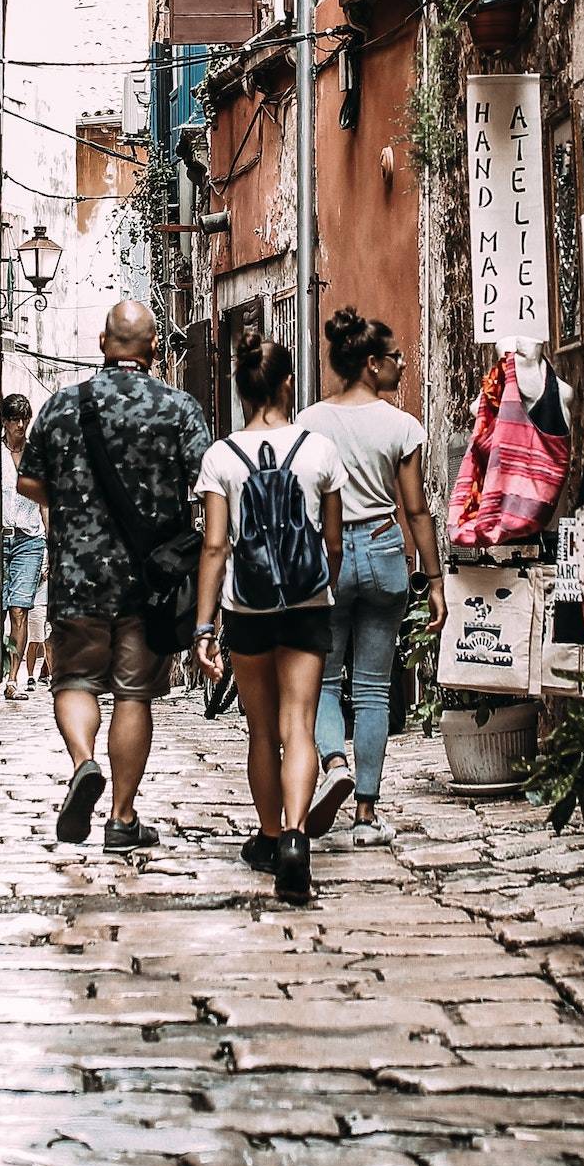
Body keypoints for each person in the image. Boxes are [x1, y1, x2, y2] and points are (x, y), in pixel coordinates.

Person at [16, 299, 209, 854]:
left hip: (77, 572)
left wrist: (75, 503)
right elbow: (204, 481)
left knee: (74, 680)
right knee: (133, 695)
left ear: (104, 344)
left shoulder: (61, 406)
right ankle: (123, 819)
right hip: (151, 581)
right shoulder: (178, 409)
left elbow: (29, 481)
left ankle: (83, 762)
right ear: (153, 349)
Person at [192, 338, 342, 905]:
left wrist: (205, 627)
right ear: (285, 385)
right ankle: (299, 839)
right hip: (308, 604)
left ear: (240, 391)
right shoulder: (319, 450)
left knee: (261, 731)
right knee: (299, 725)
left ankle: (270, 834)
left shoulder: (221, 456)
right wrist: (320, 582)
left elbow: (213, 548)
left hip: (246, 609)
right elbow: (333, 540)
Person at [298, 306, 446, 845]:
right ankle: (365, 813)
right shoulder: (402, 426)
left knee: (323, 680)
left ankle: (334, 760)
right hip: (384, 550)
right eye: (393, 357)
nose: (402, 364)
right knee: (374, 690)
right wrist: (434, 580)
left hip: (329, 557)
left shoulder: (310, 423)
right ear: (369, 363)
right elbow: (417, 511)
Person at [0, 392, 46, 697]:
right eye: (14, 418)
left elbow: (45, 503)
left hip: (30, 539)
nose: (20, 424)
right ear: (4, 421)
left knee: (20, 610)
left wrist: (53, 544)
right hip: (0, 538)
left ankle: (13, 678)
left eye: (24, 418)